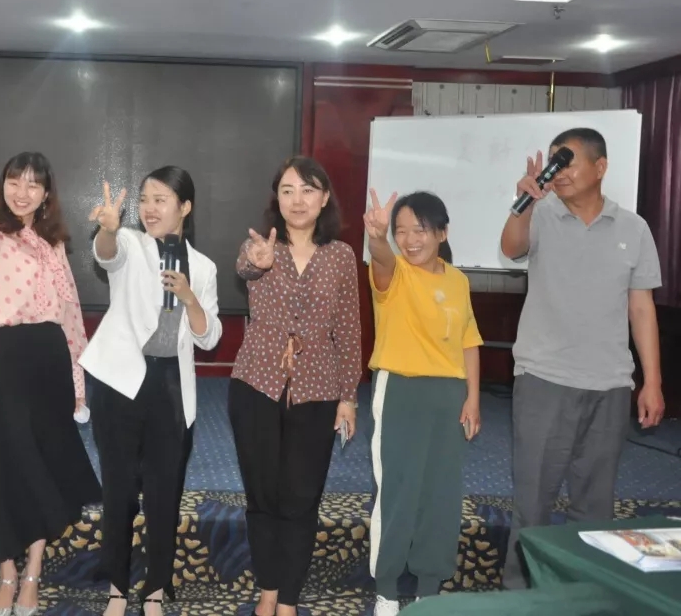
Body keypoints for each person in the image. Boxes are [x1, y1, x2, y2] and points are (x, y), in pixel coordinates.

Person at [0, 153, 101, 616]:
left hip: (51, 357)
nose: (22, 192)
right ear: (3, 186)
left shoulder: (54, 244)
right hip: (9, 356)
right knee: (6, 461)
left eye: (32, 185)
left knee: (43, 459)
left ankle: (32, 572)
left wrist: (78, 380)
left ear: (46, 194)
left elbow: (71, 314)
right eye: (14, 181)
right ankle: (6, 573)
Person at [499, 127, 664, 589]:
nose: (559, 172)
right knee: (533, 503)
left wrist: (652, 381)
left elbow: (641, 308)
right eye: (554, 163)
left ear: (601, 167)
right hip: (543, 380)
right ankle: (521, 598)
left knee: (594, 507)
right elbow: (510, 247)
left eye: (568, 161)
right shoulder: (541, 214)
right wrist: (524, 203)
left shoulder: (634, 228)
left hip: (609, 385)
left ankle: (583, 594)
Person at [79, 168, 223, 616]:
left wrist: (190, 298)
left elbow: (209, 338)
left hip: (170, 387)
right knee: (118, 490)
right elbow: (107, 254)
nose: (150, 208)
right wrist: (108, 229)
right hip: (119, 382)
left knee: (164, 494)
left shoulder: (203, 267)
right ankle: (117, 590)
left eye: (161, 199)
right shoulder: (130, 243)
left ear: (185, 207)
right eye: (144, 199)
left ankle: (156, 590)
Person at [229, 155, 361, 616]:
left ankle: (288, 599)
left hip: (317, 391)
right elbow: (246, 267)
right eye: (287, 190)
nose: (297, 200)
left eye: (307, 190)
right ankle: (267, 591)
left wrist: (348, 397)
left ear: (324, 198)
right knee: (262, 497)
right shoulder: (259, 246)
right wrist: (257, 261)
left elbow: (349, 329)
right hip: (256, 386)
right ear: (277, 199)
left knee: (301, 499)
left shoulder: (341, 256)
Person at [362, 189, 483, 616]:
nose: (410, 240)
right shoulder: (395, 272)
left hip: (449, 396)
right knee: (398, 491)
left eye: (421, 230)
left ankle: (429, 589)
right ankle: (387, 590)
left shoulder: (458, 280)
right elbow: (381, 258)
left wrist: (473, 398)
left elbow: (469, 341)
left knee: (440, 494)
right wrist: (377, 237)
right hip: (401, 392)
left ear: (442, 233)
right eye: (401, 231)